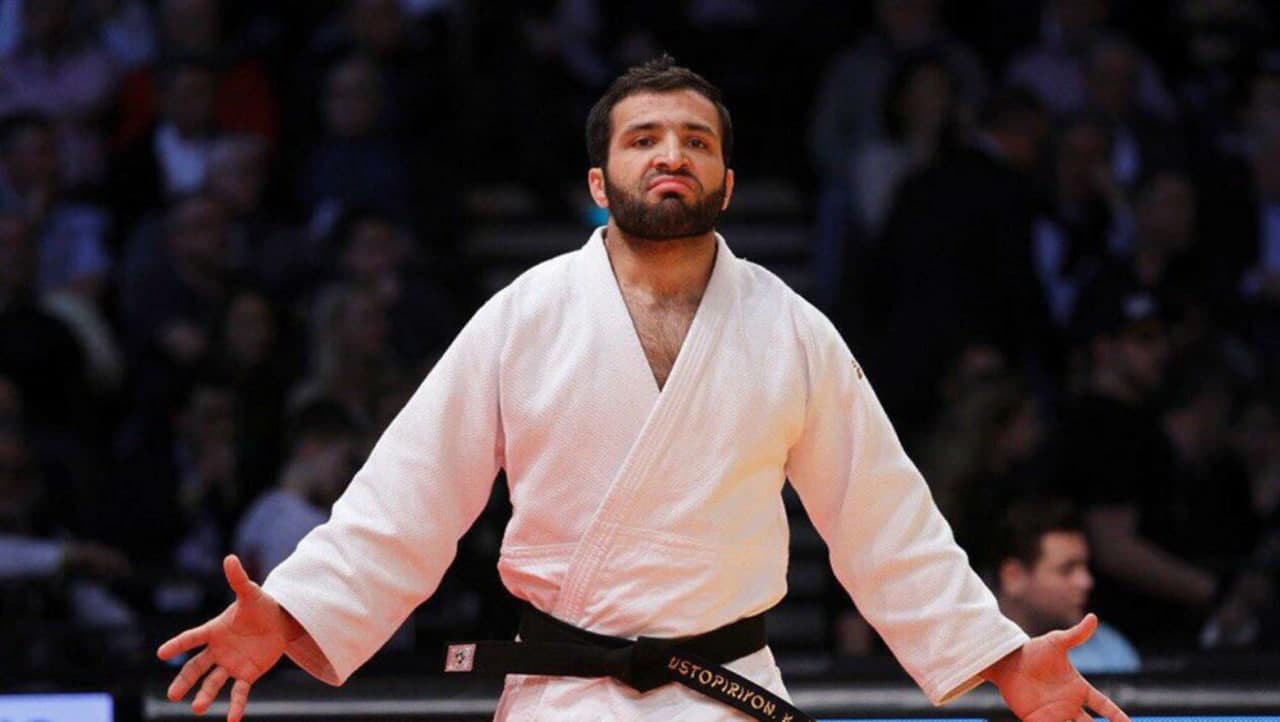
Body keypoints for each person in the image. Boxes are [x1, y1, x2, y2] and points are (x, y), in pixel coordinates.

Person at [159, 56, 1130, 722]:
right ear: (599, 179)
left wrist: (1000, 656)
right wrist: (293, 608)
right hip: (563, 696)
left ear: (727, 182)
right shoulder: (525, 315)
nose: (671, 154)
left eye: (696, 141)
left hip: (729, 691)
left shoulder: (791, 329)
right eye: (645, 138)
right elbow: (407, 499)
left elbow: (884, 522)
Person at [994, 498, 1140, 673]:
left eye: (1084, 567)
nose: (1086, 582)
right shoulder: (970, 657)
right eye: (1066, 569)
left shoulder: (1111, 653)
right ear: (1013, 577)